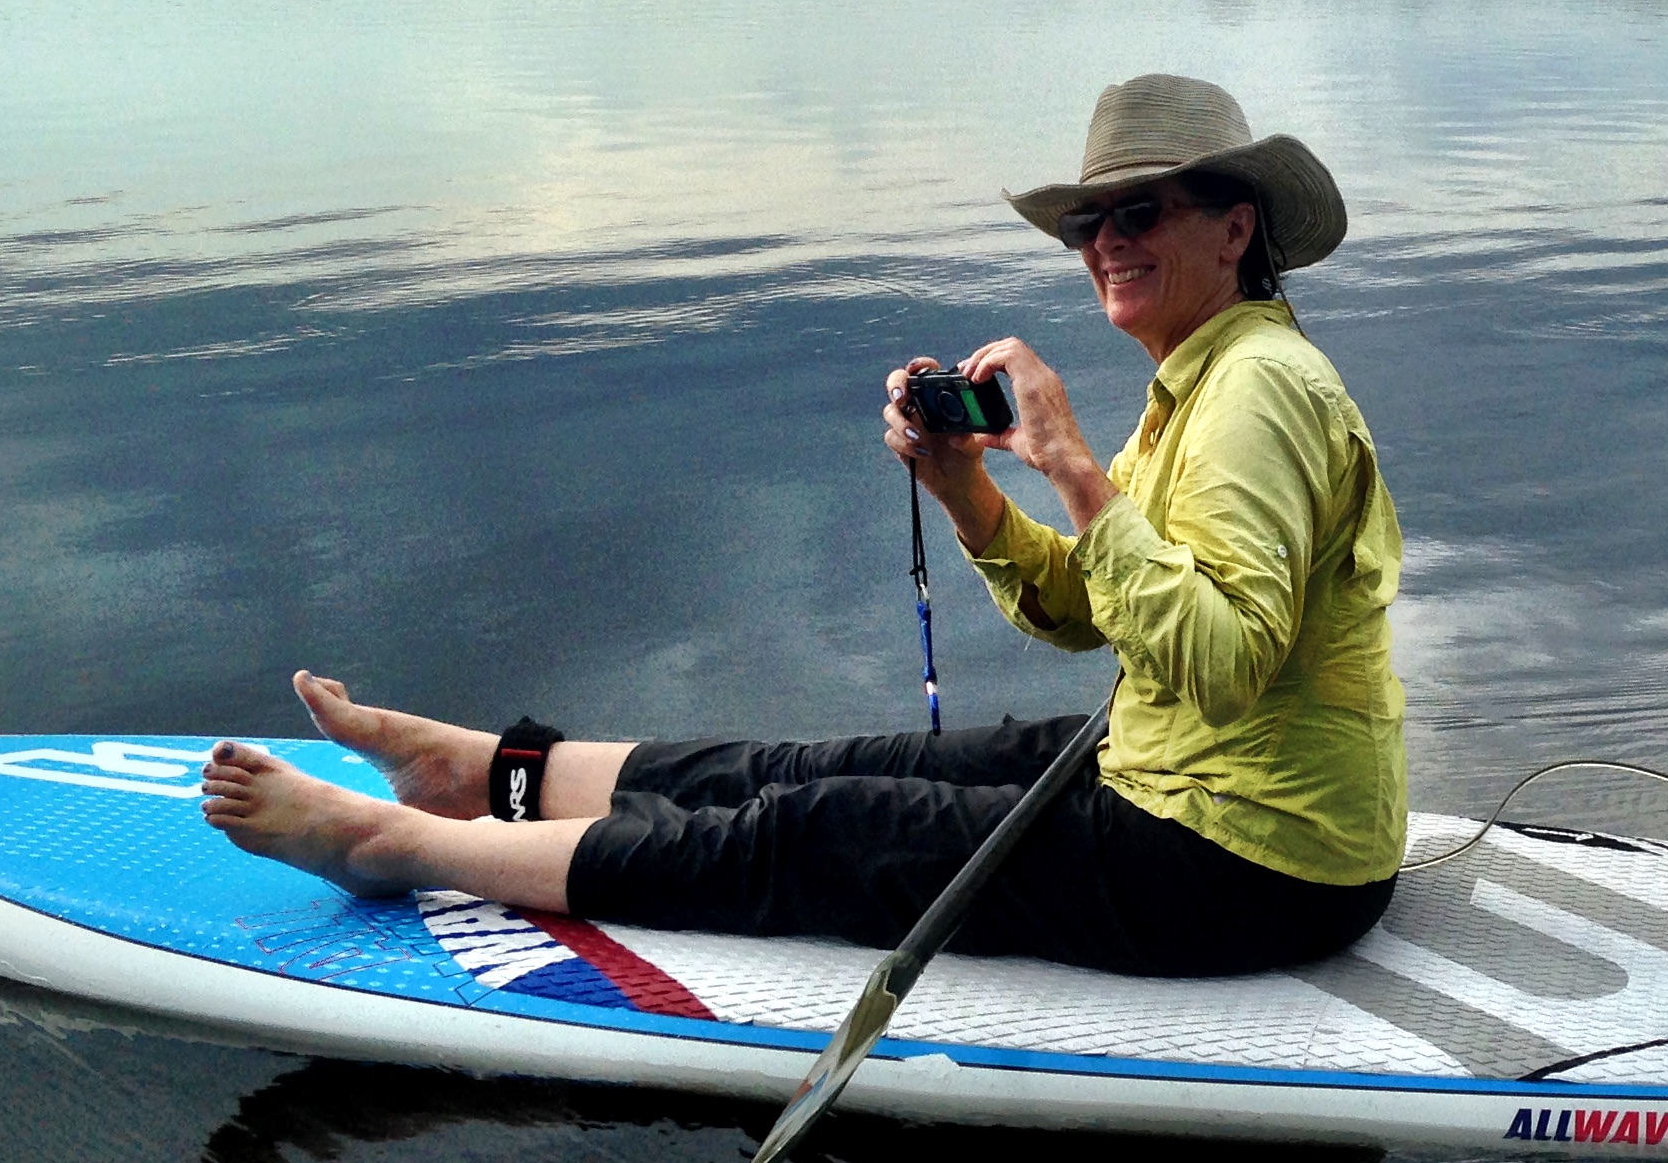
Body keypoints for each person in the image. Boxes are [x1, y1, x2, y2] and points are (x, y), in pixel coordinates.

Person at [201, 73, 1407, 978]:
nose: (1106, 245)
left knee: (820, 832)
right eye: (1090, 223)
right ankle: (484, 773)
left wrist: (1072, 467)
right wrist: (968, 492)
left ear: (1234, 229)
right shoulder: (1203, 377)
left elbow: (1229, 662)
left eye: (1138, 213)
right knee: (824, 769)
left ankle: (394, 846)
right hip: (1192, 787)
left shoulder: (1255, 391)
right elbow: (1108, 617)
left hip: (1253, 863)